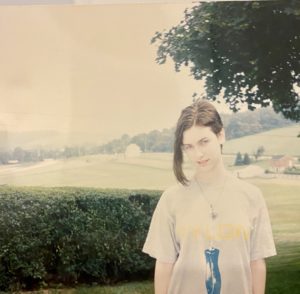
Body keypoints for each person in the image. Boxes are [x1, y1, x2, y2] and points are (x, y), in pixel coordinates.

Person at [142, 99, 276, 294]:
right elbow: (164, 264)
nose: (198, 153)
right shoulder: (171, 199)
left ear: (220, 135)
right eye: (188, 146)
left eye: (204, 142)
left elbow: (256, 262)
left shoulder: (251, 196)